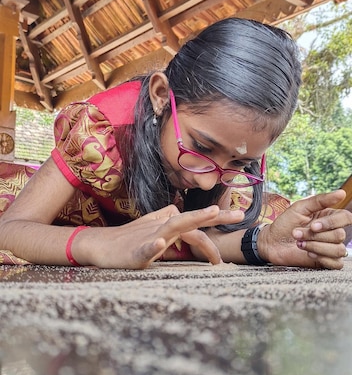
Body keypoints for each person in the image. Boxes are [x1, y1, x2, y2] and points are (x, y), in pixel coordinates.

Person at [0, 18, 351, 269]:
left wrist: (264, 243)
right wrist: (100, 243)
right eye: (200, 147)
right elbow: (11, 231)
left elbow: (202, 240)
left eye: (239, 164)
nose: (209, 182)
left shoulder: (222, 162)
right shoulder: (98, 131)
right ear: (160, 96)